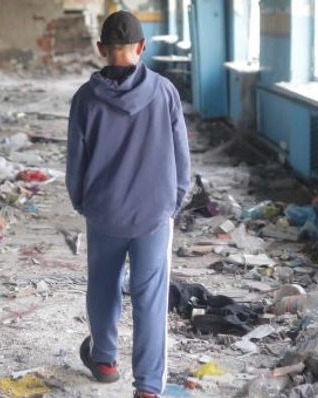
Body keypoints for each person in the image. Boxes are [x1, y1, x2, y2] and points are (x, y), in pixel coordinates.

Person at [65, 10, 191, 398]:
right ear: (141, 47)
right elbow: (181, 156)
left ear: (101, 49)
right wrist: (174, 201)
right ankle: (148, 387)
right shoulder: (165, 92)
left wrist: (83, 203)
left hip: (104, 213)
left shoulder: (86, 99)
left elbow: (76, 163)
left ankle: (103, 360)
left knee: (102, 286)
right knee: (149, 298)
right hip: (153, 215)